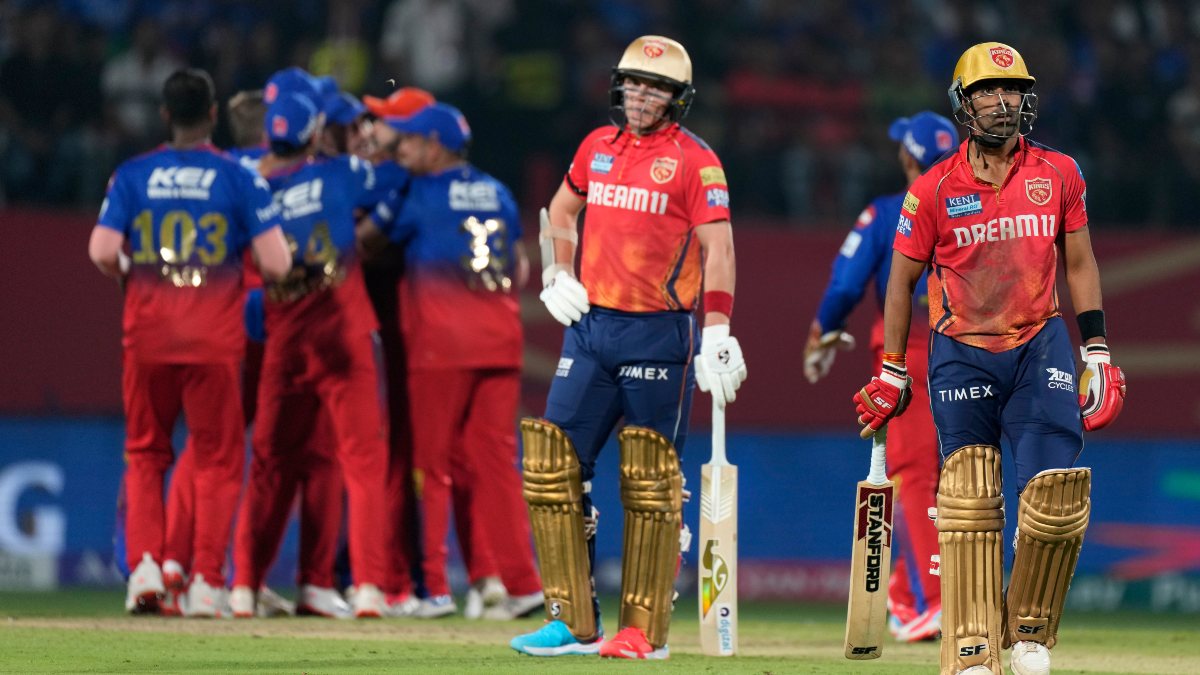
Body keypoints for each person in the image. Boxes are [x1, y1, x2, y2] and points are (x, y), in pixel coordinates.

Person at [851, 42, 1127, 675]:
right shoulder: (933, 189)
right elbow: (900, 283)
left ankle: (1028, 634)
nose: (1002, 103)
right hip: (961, 353)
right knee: (970, 500)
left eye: (1012, 92)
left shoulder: (1059, 172)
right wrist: (893, 366)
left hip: (1040, 344)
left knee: (1052, 495)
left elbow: (1079, 262)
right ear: (964, 104)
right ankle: (973, 646)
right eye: (987, 93)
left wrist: (1098, 348)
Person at [509, 35, 747, 660]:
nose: (642, 96)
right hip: (589, 331)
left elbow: (718, 248)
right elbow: (559, 211)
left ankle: (644, 630)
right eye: (634, 84)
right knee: (554, 467)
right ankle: (571, 621)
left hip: (657, 331)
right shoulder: (595, 147)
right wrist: (556, 272)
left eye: (656, 87)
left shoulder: (697, 162)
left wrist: (718, 328)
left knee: (651, 484)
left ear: (678, 98)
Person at [87, 68, 291, 616]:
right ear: (213, 113)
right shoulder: (237, 178)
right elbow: (276, 262)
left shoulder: (132, 175)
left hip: (148, 336)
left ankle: (147, 569)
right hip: (214, 339)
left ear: (163, 115)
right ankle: (205, 580)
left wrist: (134, 270)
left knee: (147, 454)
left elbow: (103, 250)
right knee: (220, 459)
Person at [360, 102, 543, 620]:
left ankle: (433, 589)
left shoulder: (418, 192)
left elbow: (366, 243)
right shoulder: (499, 192)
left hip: (441, 348)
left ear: (434, 144)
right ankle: (524, 584)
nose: (402, 151)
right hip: (500, 342)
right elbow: (520, 265)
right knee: (498, 469)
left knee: (430, 470)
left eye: (410, 143)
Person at [233, 89, 396, 619]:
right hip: (343, 337)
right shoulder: (340, 172)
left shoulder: (248, 184)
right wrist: (378, 146)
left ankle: (243, 587)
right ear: (313, 135)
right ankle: (370, 587)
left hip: (283, 344)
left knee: (268, 467)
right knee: (364, 462)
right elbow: (395, 179)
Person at [806, 111, 958, 643]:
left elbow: (846, 284)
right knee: (957, 475)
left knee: (914, 474)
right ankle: (904, 593)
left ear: (908, 157)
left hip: (911, 355)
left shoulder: (890, 212)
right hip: (977, 355)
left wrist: (822, 331)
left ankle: (932, 601)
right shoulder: (979, 210)